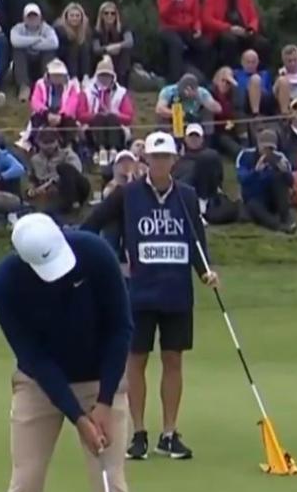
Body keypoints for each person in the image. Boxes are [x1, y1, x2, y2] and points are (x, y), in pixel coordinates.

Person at [0, 212, 142, 492]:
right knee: (24, 484)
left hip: (100, 380)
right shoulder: (5, 284)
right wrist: (77, 417)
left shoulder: (95, 255)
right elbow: (34, 357)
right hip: (39, 385)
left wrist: (105, 403)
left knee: (111, 486)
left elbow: (120, 329)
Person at [81, 131, 219, 462]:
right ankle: (139, 433)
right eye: (154, 158)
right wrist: (97, 260)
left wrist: (205, 272)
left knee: (173, 360)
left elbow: (196, 242)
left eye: (165, 157)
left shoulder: (185, 196)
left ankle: (169, 434)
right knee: (136, 362)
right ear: (147, 161)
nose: (159, 163)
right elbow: (93, 224)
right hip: (139, 292)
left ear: (174, 160)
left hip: (176, 293)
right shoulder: (127, 195)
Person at [202, 0, 267, 70]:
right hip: (222, 32)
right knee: (230, 41)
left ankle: (261, 73)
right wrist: (229, 28)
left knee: (262, 43)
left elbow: (253, 16)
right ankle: (233, 71)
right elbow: (207, 19)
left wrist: (251, 29)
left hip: (242, 30)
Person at [236, 129, 297, 233]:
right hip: (254, 197)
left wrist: (285, 172)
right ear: (258, 144)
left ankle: (285, 217)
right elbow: (241, 179)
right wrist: (255, 171)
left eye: (271, 148)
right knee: (252, 206)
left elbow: (291, 183)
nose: (267, 151)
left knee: (279, 178)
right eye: (265, 147)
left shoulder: (280, 157)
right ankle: (277, 225)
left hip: (273, 197)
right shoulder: (245, 155)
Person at [157, 0, 208, 81]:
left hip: (186, 29)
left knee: (205, 45)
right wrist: (173, 1)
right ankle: (175, 80)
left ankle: (200, 77)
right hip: (168, 28)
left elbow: (196, 16)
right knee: (176, 45)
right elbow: (162, 14)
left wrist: (197, 28)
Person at [81, 55, 135, 165]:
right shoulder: (87, 92)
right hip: (93, 128)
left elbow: (129, 117)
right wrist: (95, 115)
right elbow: (80, 114)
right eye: (102, 75)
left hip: (117, 128)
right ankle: (100, 150)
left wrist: (113, 115)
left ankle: (113, 150)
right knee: (100, 117)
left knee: (111, 117)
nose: (104, 79)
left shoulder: (121, 92)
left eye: (107, 76)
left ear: (113, 77)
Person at [174, 124, 233, 219]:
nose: (194, 140)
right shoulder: (178, 159)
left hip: (207, 193)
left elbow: (218, 178)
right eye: (191, 137)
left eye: (197, 137)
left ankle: (202, 204)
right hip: (184, 191)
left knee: (208, 156)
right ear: (185, 138)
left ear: (202, 139)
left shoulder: (211, 156)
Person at [27, 128, 90, 215]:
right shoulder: (35, 159)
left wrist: (51, 182)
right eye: (45, 143)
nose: (49, 146)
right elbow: (32, 178)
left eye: (52, 142)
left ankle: (72, 204)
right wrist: (32, 189)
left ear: (57, 141)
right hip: (51, 191)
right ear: (39, 143)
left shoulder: (67, 153)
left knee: (64, 168)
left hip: (75, 187)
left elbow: (76, 170)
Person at [10, 3, 59, 102]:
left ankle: (46, 85)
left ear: (40, 18)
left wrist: (27, 43)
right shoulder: (17, 28)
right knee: (18, 51)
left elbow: (54, 43)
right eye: (29, 17)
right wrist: (38, 39)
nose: (32, 19)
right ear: (24, 18)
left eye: (35, 16)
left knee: (49, 52)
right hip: (25, 64)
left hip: (41, 62)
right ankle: (24, 87)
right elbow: (15, 41)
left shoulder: (47, 28)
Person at [28, 59, 82, 143]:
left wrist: (60, 115)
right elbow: (35, 101)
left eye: (60, 75)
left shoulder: (71, 86)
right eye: (55, 75)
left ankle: (67, 144)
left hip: (63, 115)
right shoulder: (40, 84)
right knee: (36, 119)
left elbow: (72, 104)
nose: (57, 78)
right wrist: (46, 113)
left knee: (70, 122)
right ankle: (38, 144)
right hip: (45, 113)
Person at [155, 73, 221, 129]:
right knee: (162, 117)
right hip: (174, 121)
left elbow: (218, 109)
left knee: (208, 113)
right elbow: (159, 109)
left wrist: (205, 101)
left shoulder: (201, 92)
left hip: (195, 121)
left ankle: (207, 138)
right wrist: (181, 114)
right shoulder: (168, 91)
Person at [92, 1, 134, 86]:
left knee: (124, 54)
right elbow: (95, 49)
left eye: (112, 13)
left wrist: (117, 46)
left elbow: (130, 42)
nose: (109, 16)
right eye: (106, 13)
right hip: (104, 62)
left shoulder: (123, 27)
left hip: (121, 63)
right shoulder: (97, 31)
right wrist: (107, 49)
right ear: (101, 15)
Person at [54, 3, 92, 86]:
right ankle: (73, 78)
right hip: (62, 58)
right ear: (66, 16)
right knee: (73, 47)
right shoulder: (59, 29)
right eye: (72, 15)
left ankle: (85, 76)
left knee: (84, 46)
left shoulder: (86, 30)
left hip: (79, 58)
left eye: (77, 16)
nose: (75, 18)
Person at [234, 48, 276, 120]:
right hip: (245, 100)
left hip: (265, 99)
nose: (250, 65)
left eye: (253, 62)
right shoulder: (236, 73)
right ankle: (255, 115)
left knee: (282, 80)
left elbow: (270, 91)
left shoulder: (265, 74)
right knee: (255, 79)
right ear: (242, 62)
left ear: (258, 62)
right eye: (248, 62)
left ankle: (284, 115)